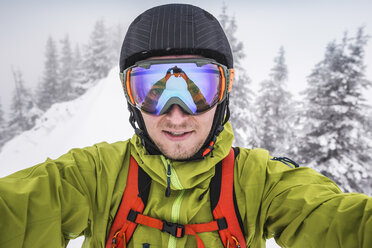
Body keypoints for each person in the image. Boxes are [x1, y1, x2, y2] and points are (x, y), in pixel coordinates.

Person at [0, 3, 371, 248]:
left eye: (199, 87)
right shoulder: (95, 176)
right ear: (130, 97)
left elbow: (332, 219)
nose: (176, 114)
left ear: (224, 91)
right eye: (152, 89)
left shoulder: (257, 182)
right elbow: (20, 208)